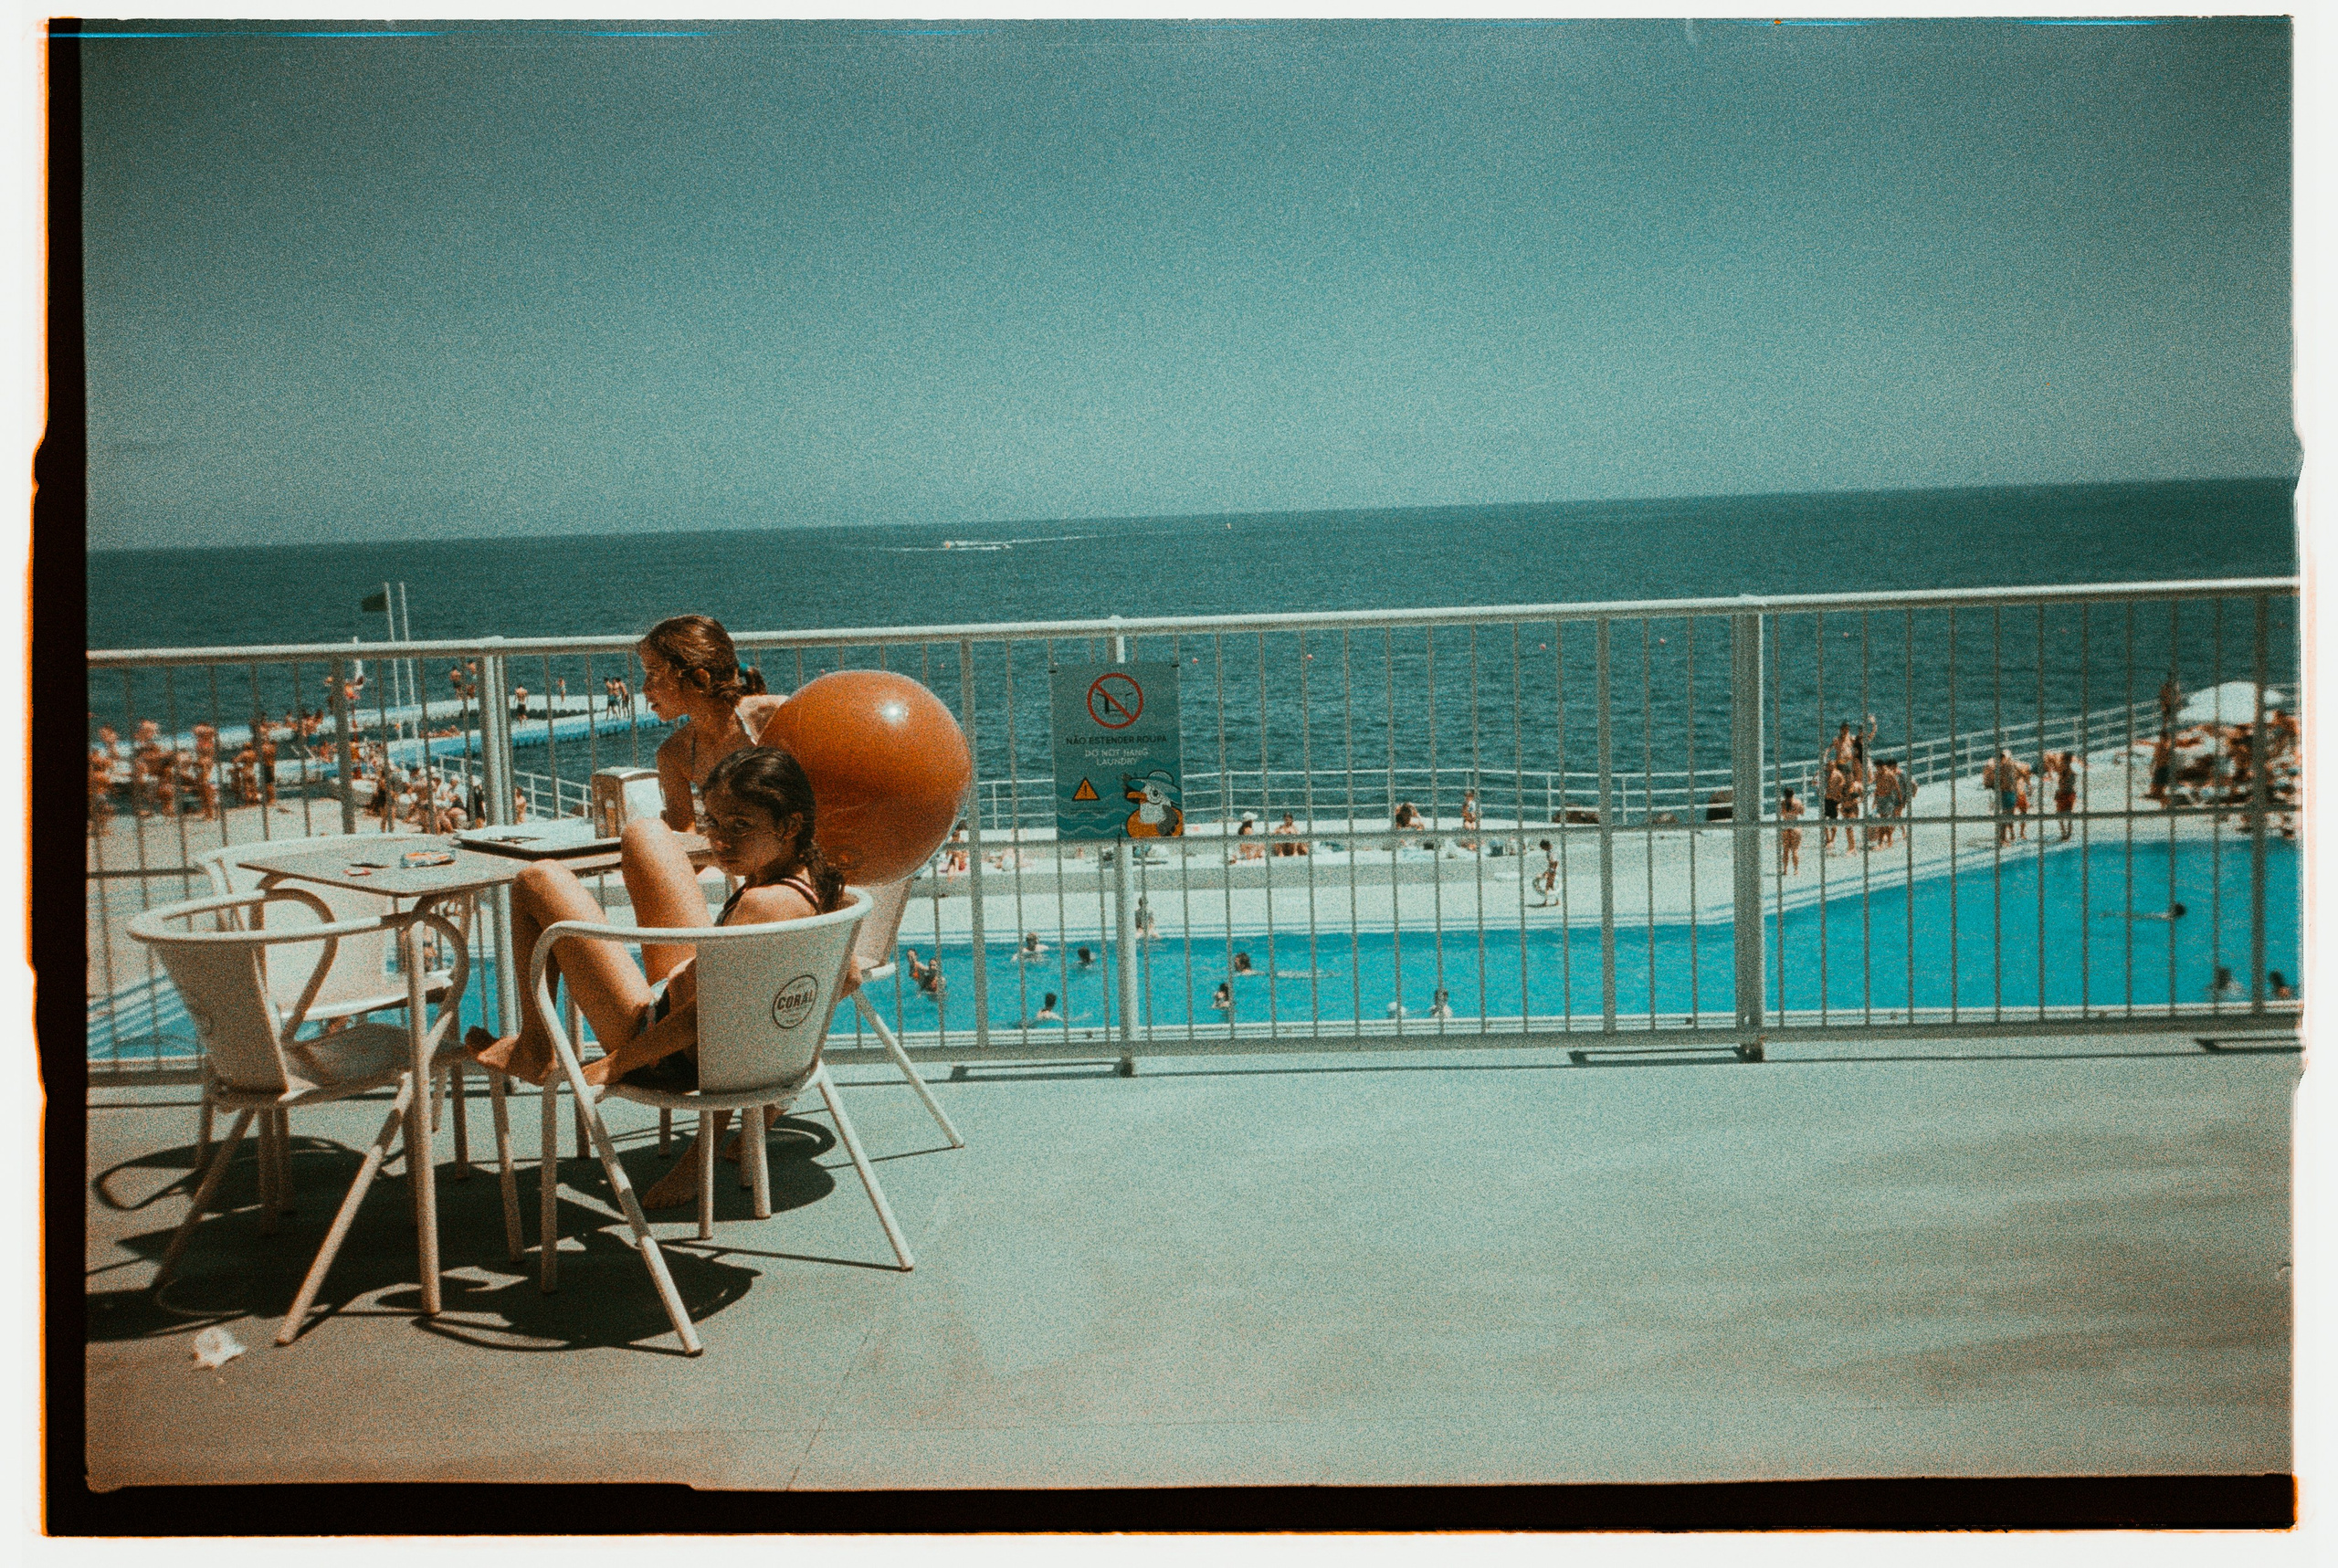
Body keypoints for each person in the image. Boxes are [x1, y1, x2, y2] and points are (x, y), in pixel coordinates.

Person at [467, 747, 856, 1209]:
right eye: (712, 822)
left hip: (663, 1047)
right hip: (713, 1025)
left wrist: (614, 1065)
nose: (720, 841)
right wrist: (778, 1058)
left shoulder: (761, 906)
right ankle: (746, 1110)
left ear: (789, 826)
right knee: (646, 833)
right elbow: (845, 978)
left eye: (740, 826)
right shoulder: (821, 881)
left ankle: (535, 1047)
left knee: (537, 879)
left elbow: (699, 1022)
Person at [637, 615, 785, 836]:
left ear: (700, 678)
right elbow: (686, 843)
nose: (644, 687)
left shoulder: (775, 716)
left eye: (653, 673)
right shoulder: (674, 754)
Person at [2051, 752, 2080, 841]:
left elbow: (2057, 772)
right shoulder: (2073, 767)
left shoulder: (2062, 766)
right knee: (2069, 814)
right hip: (2071, 792)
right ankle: (2069, 833)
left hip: (2062, 793)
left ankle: (2064, 834)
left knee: (2060, 815)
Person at [1777, 785, 1804, 875]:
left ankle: (1785, 870)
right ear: (1793, 794)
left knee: (1785, 850)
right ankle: (1796, 870)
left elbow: (1780, 814)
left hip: (1785, 827)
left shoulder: (1782, 804)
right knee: (1795, 850)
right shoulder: (1798, 802)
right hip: (1795, 827)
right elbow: (1802, 813)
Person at [1532, 838, 1559, 906]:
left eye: (1542, 848)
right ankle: (1556, 901)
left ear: (1545, 846)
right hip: (1552, 870)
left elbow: (1554, 862)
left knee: (1547, 887)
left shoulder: (1550, 852)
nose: (1542, 849)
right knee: (1551, 886)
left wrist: (1550, 872)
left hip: (1552, 871)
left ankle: (1546, 902)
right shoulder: (1553, 851)